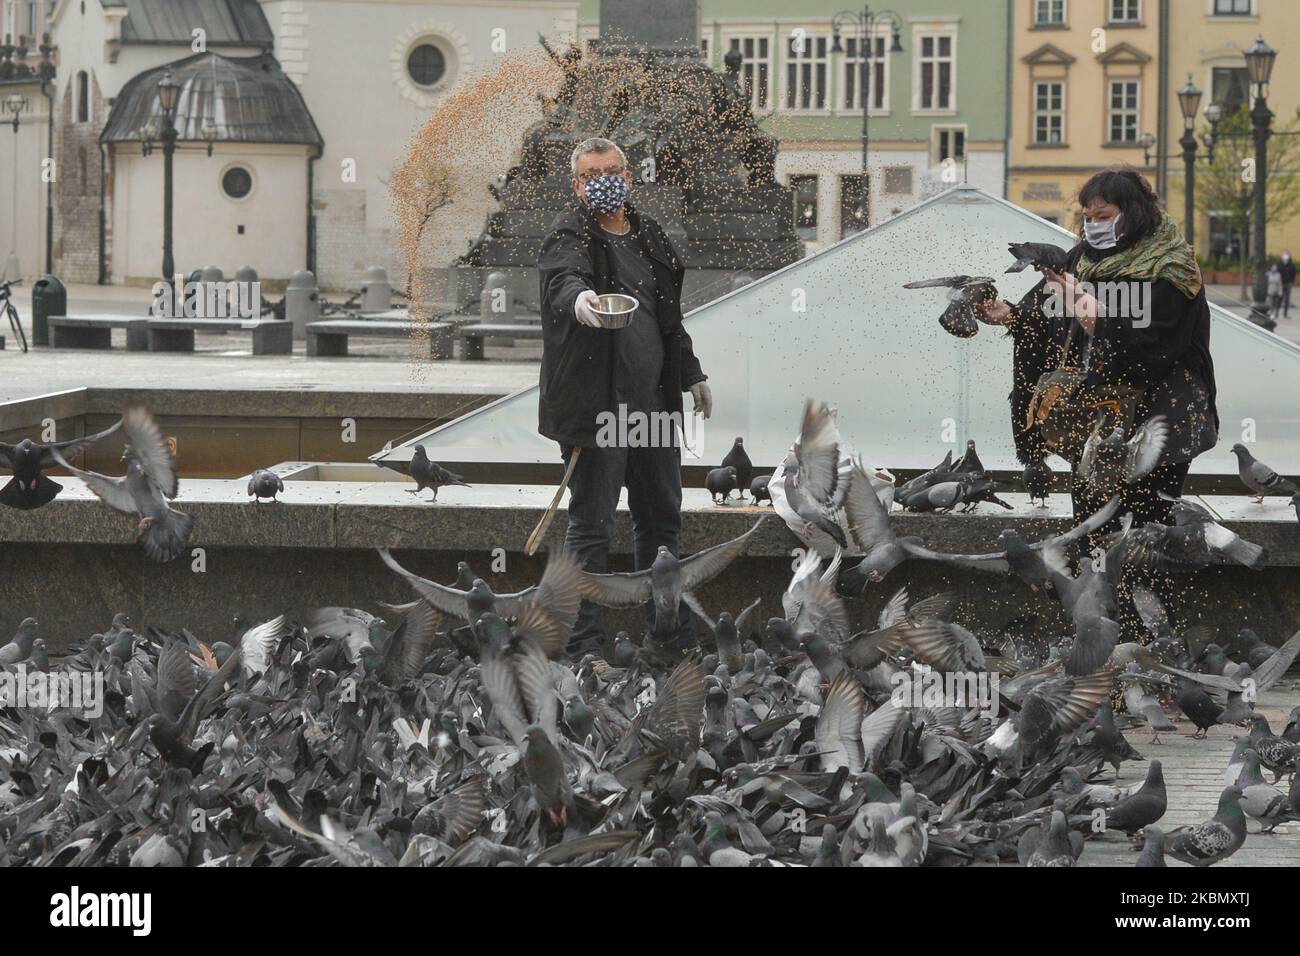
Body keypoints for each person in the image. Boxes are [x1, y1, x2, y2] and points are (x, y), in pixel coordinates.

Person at [974, 170, 1218, 635]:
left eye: (1102, 216)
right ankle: (1100, 642)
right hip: (1095, 424)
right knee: (1092, 535)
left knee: (1145, 535)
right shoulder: (1081, 259)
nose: (1092, 226)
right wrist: (1009, 315)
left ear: (1134, 213)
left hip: (1159, 423)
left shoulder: (1172, 268)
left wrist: (1094, 319)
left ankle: (1146, 647)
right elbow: (1044, 322)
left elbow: (1156, 344)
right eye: (1086, 217)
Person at [536, 137, 712, 656]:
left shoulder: (651, 237)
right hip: (598, 413)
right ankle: (584, 648)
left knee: (661, 524)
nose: (602, 181)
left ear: (629, 176)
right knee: (591, 528)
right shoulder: (568, 234)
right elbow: (561, 279)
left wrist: (693, 375)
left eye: (611, 171)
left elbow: (669, 320)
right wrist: (581, 300)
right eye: (591, 175)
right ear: (577, 184)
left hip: (653, 409)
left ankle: (665, 637)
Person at [1280, 250, 1296, 319]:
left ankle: (1285, 314)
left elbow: (1293, 273)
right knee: (1279, 298)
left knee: (1287, 299)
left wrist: (1292, 281)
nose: (1285, 256)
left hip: (1288, 283)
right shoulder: (1280, 264)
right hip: (1281, 284)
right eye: (1284, 254)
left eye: (1287, 254)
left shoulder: (1291, 264)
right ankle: (1275, 313)